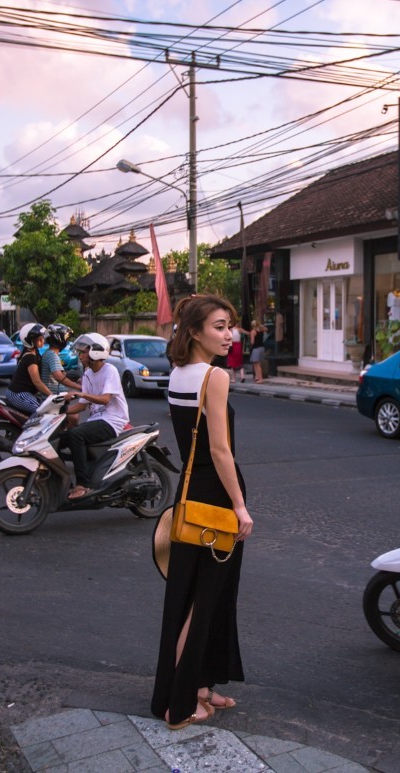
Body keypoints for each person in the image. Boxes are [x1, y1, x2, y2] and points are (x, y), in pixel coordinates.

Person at [151, 294, 254, 730]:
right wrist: (240, 505)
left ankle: (200, 686)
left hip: (189, 494)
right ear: (194, 332)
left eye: (229, 325)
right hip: (214, 499)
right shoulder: (213, 377)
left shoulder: (179, 373)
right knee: (203, 601)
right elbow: (218, 449)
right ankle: (179, 703)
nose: (228, 334)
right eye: (218, 326)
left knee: (197, 597)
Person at [58, 332, 129, 500]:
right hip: (97, 419)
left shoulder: (109, 371)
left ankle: (83, 484)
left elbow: (105, 400)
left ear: (95, 353)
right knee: (60, 438)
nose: (80, 355)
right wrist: (60, 412)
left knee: (76, 434)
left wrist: (78, 394)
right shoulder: (88, 374)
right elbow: (82, 406)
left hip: (112, 420)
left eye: (83, 352)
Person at [6, 324, 52, 414]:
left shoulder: (34, 352)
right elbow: (37, 382)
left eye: (42, 338)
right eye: (39, 339)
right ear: (30, 340)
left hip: (23, 393)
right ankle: (29, 428)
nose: (43, 341)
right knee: (41, 411)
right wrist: (51, 395)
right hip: (18, 394)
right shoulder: (30, 357)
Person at [40, 324, 77, 396]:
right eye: (66, 339)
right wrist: (79, 387)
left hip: (55, 396)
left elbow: (62, 374)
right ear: (60, 339)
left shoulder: (49, 353)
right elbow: (59, 377)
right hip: (53, 399)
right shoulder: (52, 355)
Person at [247, 317, 268, 383]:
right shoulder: (261, 330)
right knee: (255, 363)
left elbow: (252, 342)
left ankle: (260, 379)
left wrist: (250, 340)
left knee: (257, 364)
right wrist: (261, 325)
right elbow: (266, 329)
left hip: (256, 348)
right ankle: (257, 377)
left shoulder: (253, 331)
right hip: (261, 347)